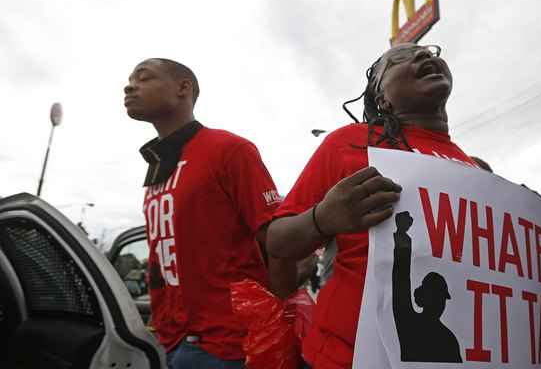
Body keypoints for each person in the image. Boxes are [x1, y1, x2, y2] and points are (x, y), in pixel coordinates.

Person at [267, 43, 479, 368]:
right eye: (399, 60)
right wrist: (321, 220)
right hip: (345, 357)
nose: (424, 56)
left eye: (429, 53)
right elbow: (277, 241)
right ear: (382, 99)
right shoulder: (349, 142)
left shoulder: (471, 168)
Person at [124, 58, 297, 368]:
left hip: (228, 347)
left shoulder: (229, 149)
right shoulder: (158, 167)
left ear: (183, 88)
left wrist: (279, 333)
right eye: (130, 80)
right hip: (169, 341)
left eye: (143, 78)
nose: (129, 86)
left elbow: (279, 243)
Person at [392, 211, 462, 362]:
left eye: (442, 298)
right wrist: (401, 236)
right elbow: (401, 281)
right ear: (423, 297)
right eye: (436, 296)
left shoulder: (449, 340)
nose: (440, 302)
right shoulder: (409, 325)